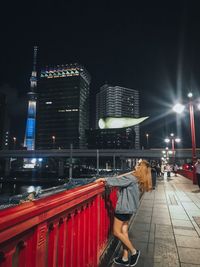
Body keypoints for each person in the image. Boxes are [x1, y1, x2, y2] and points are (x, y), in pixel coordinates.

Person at [95, 160, 152, 266]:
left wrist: (104, 179)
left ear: (140, 168)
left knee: (116, 232)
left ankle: (134, 252)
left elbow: (117, 181)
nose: (135, 165)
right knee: (124, 231)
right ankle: (125, 258)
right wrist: (133, 171)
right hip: (130, 209)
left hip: (123, 208)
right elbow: (121, 178)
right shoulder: (138, 178)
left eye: (138, 164)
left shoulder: (131, 178)